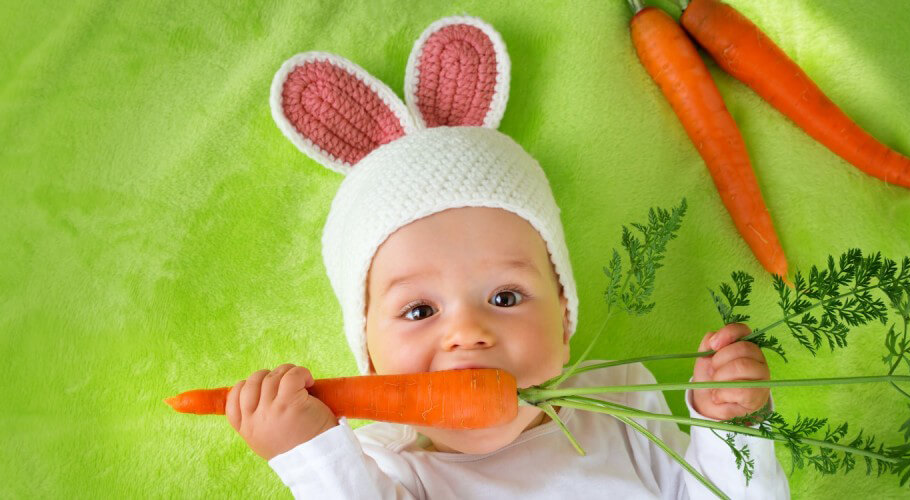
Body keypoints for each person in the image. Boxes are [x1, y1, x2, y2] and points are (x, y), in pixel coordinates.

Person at [227, 14, 791, 499]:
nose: (468, 333)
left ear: (565, 317)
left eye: (505, 297)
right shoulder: (390, 469)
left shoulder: (619, 404)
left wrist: (731, 429)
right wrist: (310, 457)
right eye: (420, 311)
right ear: (368, 358)